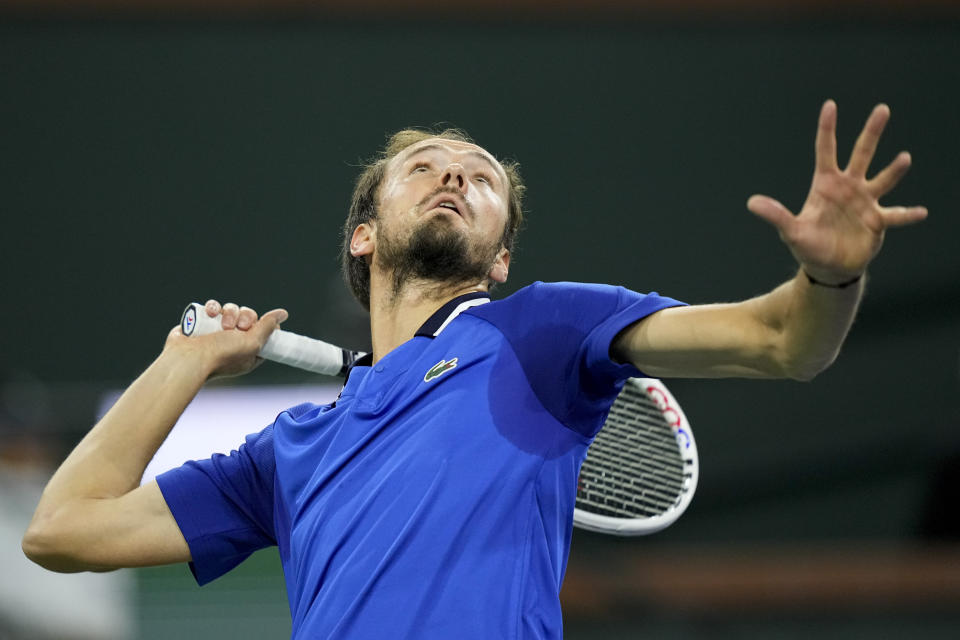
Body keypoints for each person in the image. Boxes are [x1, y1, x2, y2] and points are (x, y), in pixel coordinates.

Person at [22, 101, 926, 639]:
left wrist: (831, 271)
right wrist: (178, 366)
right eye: (424, 169)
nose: (454, 178)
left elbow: (781, 343)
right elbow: (62, 532)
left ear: (499, 258)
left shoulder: (542, 330)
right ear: (364, 235)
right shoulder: (288, 453)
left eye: (481, 178)